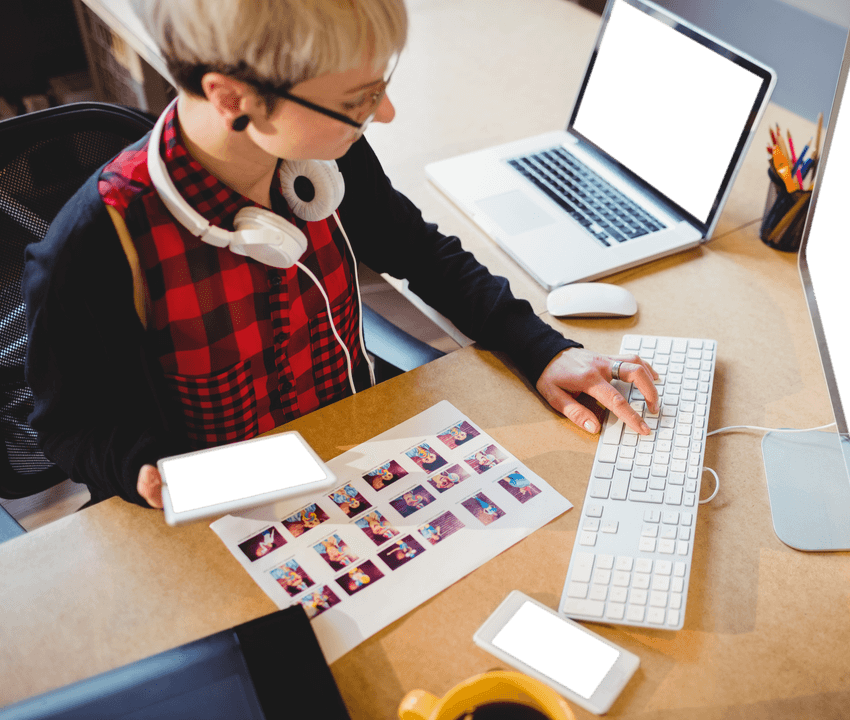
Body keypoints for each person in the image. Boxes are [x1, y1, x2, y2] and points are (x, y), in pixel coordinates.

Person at [22, 0, 659, 511]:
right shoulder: (97, 245)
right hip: (228, 508)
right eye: (358, 101)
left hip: (355, 449)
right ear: (233, 99)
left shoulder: (323, 160)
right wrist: (138, 469)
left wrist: (541, 349)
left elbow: (421, 252)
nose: (385, 113)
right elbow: (70, 427)